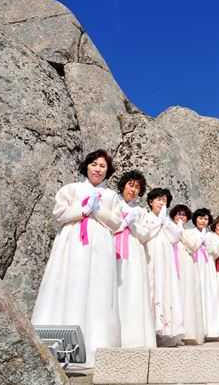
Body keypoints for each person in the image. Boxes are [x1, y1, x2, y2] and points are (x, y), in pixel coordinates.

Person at [32, 149, 123, 366]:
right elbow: (59, 213)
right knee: (68, 284)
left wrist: (99, 211)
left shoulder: (111, 197)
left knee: (97, 290)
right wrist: (83, 210)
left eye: (102, 166)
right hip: (73, 242)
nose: (97, 169)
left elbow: (117, 222)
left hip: (100, 244)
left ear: (108, 170)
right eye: (94, 164)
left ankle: (94, 347)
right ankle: (59, 344)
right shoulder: (71, 189)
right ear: (87, 166)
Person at [114, 170, 157, 348]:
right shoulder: (113, 204)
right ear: (123, 185)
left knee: (133, 289)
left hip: (134, 250)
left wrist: (132, 226)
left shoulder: (140, 212)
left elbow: (146, 233)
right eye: (130, 184)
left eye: (137, 187)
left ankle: (134, 337)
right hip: (113, 248)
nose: (133, 189)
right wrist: (120, 224)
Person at [143, 188, 185, 346]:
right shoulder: (146, 217)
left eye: (164, 200)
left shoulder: (167, 220)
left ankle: (166, 332)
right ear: (150, 202)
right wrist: (158, 221)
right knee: (152, 288)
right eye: (158, 199)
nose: (161, 202)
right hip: (151, 257)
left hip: (166, 261)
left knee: (166, 289)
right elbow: (145, 232)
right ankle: (150, 331)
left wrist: (165, 221)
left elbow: (175, 237)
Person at [182, 208, 219, 340]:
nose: (203, 221)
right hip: (195, 264)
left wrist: (208, 244)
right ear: (195, 219)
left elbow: (216, 253)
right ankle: (197, 329)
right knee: (196, 293)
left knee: (209, 294)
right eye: (200, 218)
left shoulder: (211, 235)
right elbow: (188, 248)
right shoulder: (189, 232)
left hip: (208, 266)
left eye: (205, 219)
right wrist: (199, 241)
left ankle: (211, 329)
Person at [169, 204, 205, 344]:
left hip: (187, 266)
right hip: (172, 263)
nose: (180, 217)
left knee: (186, 296)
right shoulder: (168, 227)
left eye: (183, 215)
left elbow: (193, 246)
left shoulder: (189, 232)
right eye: (178, 214)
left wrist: (181, 232)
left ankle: (187, 332)